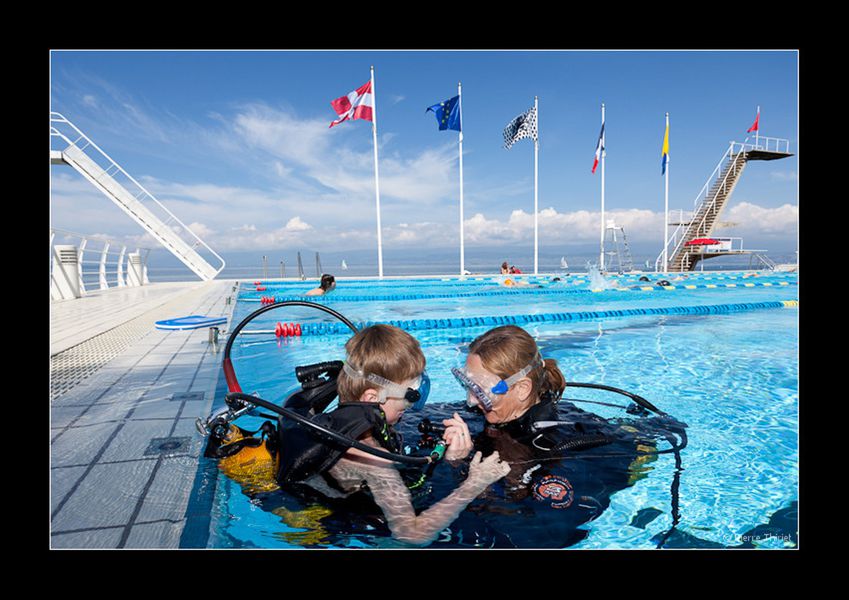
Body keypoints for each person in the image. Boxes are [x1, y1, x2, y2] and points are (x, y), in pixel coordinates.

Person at [210, 324, 510, 547]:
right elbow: (412, 534)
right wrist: (473, 482)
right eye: (411, 393)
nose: (414, 403)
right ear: (371, 397)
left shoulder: (340, 422)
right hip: (319, 526)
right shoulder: (368, 454)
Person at [438, 325, 662, 547]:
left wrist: (460, 470)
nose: (472, 401)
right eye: (468, 385)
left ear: (523, 389)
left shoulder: (557, 452)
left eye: (481, 391)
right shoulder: (489, 415)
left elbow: (543, 535)